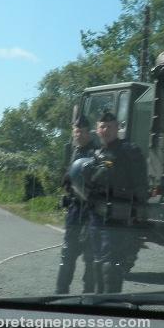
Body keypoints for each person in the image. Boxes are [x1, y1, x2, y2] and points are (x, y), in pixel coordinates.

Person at [87, 112, 148, 293]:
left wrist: (137, 215)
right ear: (97, 130)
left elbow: (141, 185)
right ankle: (99, 303)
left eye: (110, 126)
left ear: (117, 128)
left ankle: (111, 305)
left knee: (111, 263)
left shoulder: (129, 151)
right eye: (102, 126)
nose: (106, 130)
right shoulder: (95, 154)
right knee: (97, 259)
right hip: (96, 216)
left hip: (117, 216)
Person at [55, 115, 98, 294]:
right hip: (74, 211)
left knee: (90, 258)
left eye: (81, 131)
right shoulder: (74, 151)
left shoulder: (97, 152)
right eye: (76, 131)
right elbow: (68, 178)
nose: (78, 135)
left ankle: (88, 297)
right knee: (67, 254)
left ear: (89, 132)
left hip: (91, 211)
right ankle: (59, 294)